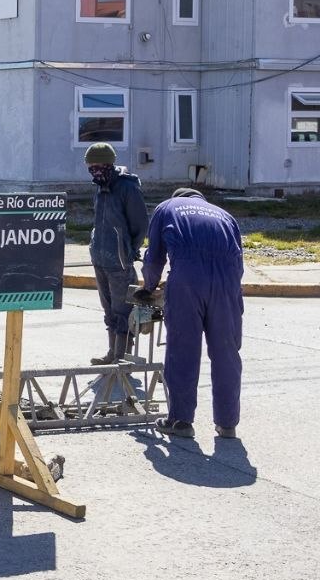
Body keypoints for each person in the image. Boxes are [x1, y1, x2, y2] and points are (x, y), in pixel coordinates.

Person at [136, 188, 244, 439]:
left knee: (183, 349)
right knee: (226, 352)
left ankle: (181, 421)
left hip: (187, 281)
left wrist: (149, 287)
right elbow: (238, 262)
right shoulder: (226, 216)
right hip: (227, 284)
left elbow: (154, 258)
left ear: (179, 197)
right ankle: (227, 424)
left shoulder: (167, 207)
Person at [84, 142, 147, 365]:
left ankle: (122, 357)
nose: (94, 170)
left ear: (108, 163)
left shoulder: (127, 188)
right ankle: (112, 353)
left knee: (123, 310)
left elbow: (140, 225)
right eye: (90, 166)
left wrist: (128, 250)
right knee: (108, 308)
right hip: (100, 258)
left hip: (119, 261)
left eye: (97, 165)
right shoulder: (100, 186)